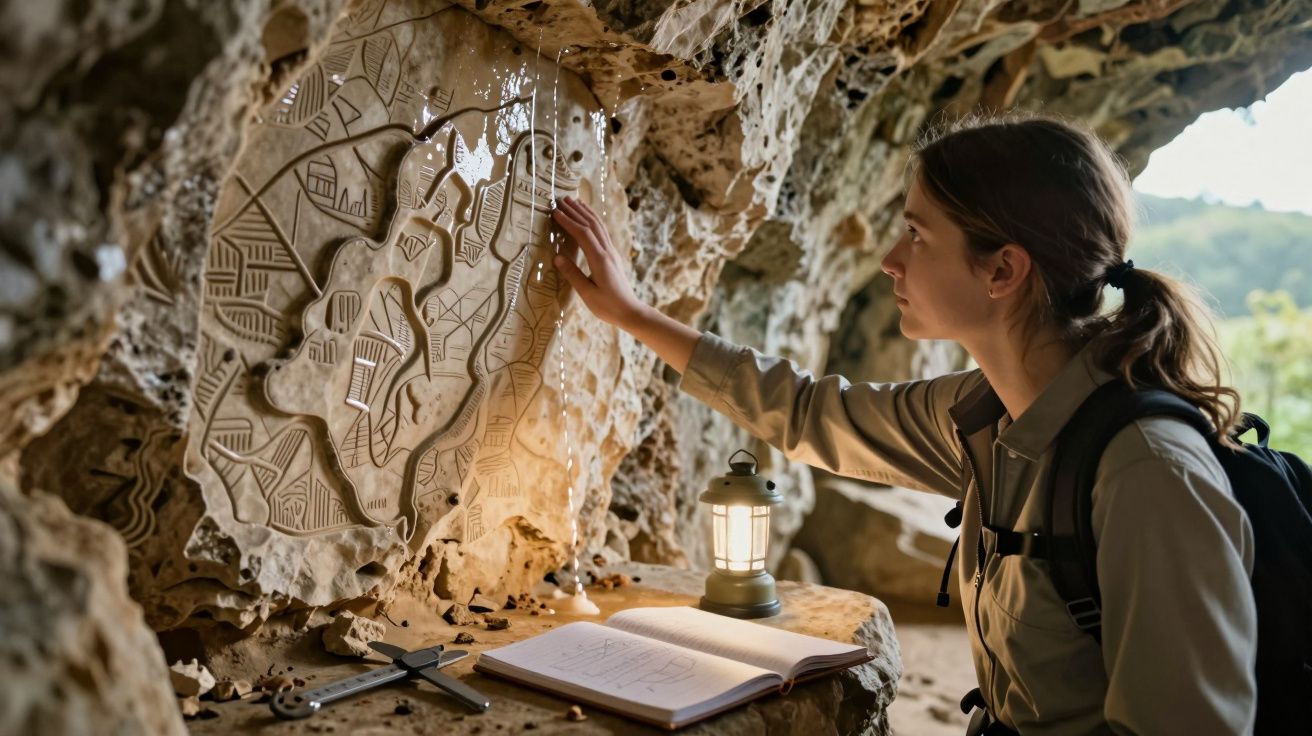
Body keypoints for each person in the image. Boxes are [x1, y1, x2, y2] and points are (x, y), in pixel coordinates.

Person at [548, 113, 1257, 735]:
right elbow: (809, 413)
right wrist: (631, 315)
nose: (889, 261)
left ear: (1003, 270)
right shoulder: (985, 413)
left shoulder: (1149, 474)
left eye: (917, 234)